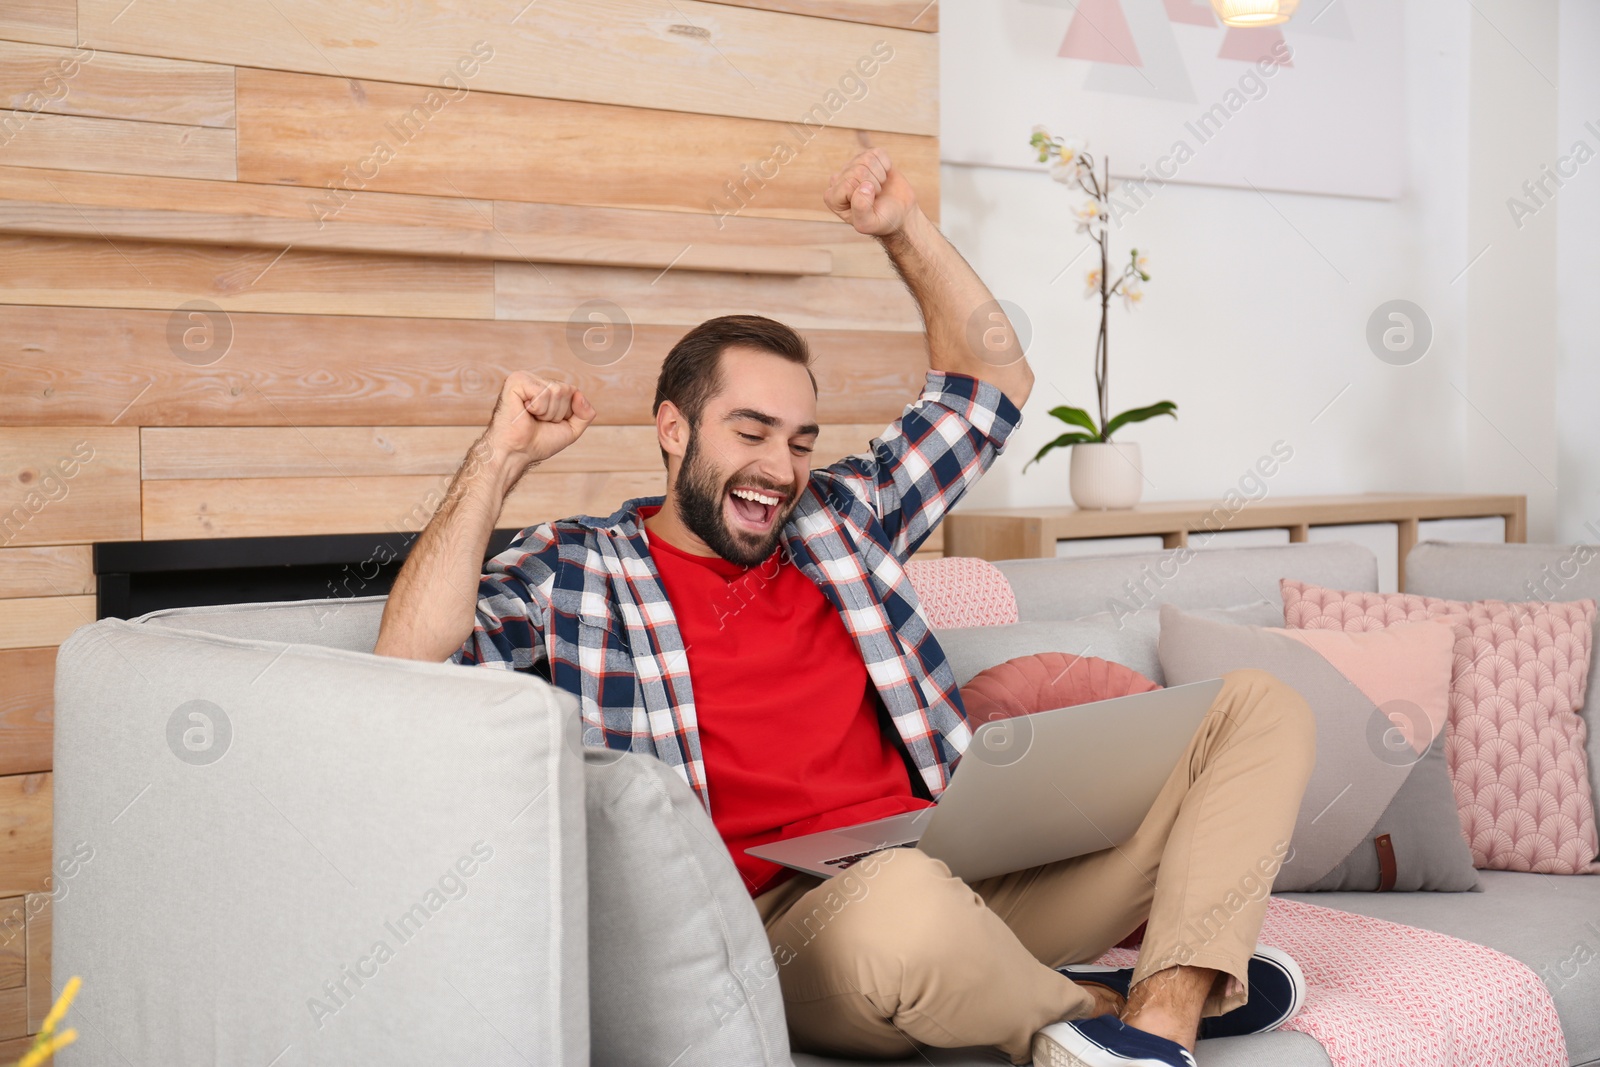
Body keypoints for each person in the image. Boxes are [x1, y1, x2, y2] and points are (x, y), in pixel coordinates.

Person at [375, 148, 1316, 1067]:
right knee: (906, 903)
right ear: (672, 430)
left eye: (799, 440)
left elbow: (994, 387)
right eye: (750, 432)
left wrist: (904, 229)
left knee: (1258, 706)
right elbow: (408, 665)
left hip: (961, 864)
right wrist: (496, 460)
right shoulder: (578, 570)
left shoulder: (841, 515)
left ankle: (1158, 1016)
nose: (780, 469)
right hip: (790, 931)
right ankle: (1099, 1004)